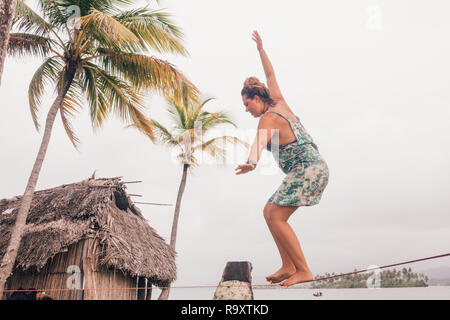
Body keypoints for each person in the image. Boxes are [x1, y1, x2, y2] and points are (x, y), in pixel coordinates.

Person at [235, 31, 330, 287]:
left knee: (275, 215)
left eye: (247, 104)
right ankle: (289, 265)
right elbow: (270, 75)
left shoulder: (268, 117)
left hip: (307, 169)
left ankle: (302, 269)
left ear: (257, 98)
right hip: (313, 168)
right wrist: (261, 50)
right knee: (271, 213)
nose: (246, 110)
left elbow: (258, 143)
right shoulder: (278, 101)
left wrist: (251, 163)